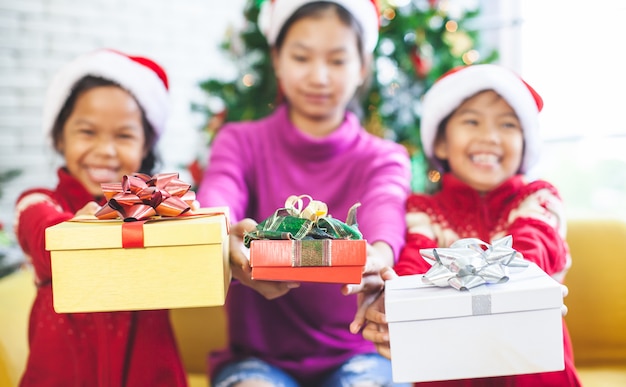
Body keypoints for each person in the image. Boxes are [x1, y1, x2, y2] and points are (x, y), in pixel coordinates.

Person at [196, 1, 412, 386]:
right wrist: (224, 234)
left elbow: (385, 212)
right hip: (256, 361)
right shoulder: (240, 142)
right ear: (277, 60)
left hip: (359, 356)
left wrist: (378, 258)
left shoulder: (384, 157)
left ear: (362, 67)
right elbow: (220, 197)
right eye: (301, 57)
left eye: (337, 60)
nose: (319, 77)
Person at [358, 64, 583, 386]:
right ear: (440, 143)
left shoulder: (538, 199)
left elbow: (532, 254)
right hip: (448, 371)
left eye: (508, 124)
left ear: (525, 143)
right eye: (472, 121)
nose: (489, 137)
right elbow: (410, 272)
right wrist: (391, 300)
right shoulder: (424, 211)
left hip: (534, 371)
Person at [13, 49, 188, 386]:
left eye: (123, 136)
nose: (106, 150)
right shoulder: (38, 201)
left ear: (146, 146)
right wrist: (77, 228)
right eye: (87, 132)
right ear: (60, 136)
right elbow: (43, 235)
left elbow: (198, 259)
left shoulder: (159, 209)